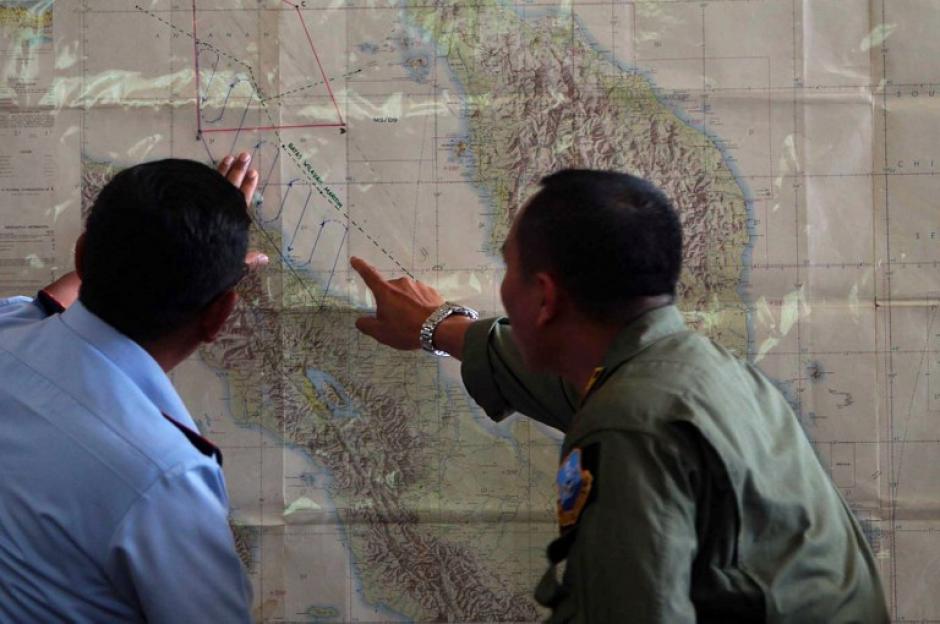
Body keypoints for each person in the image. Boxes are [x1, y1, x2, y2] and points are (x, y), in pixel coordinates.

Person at [350, 169, 889, 622]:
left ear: (544, 297)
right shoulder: (706, 374)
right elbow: (562, 381)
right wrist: (439, 327)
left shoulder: (628, 427)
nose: (503, 289)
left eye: (510, 269)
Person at [0, 153, 267, 622]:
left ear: (82, 256)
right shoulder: (166, 476)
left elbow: (52, 304)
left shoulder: (9, 329)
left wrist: (199, 242)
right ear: (219, 316)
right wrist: (209, 261)